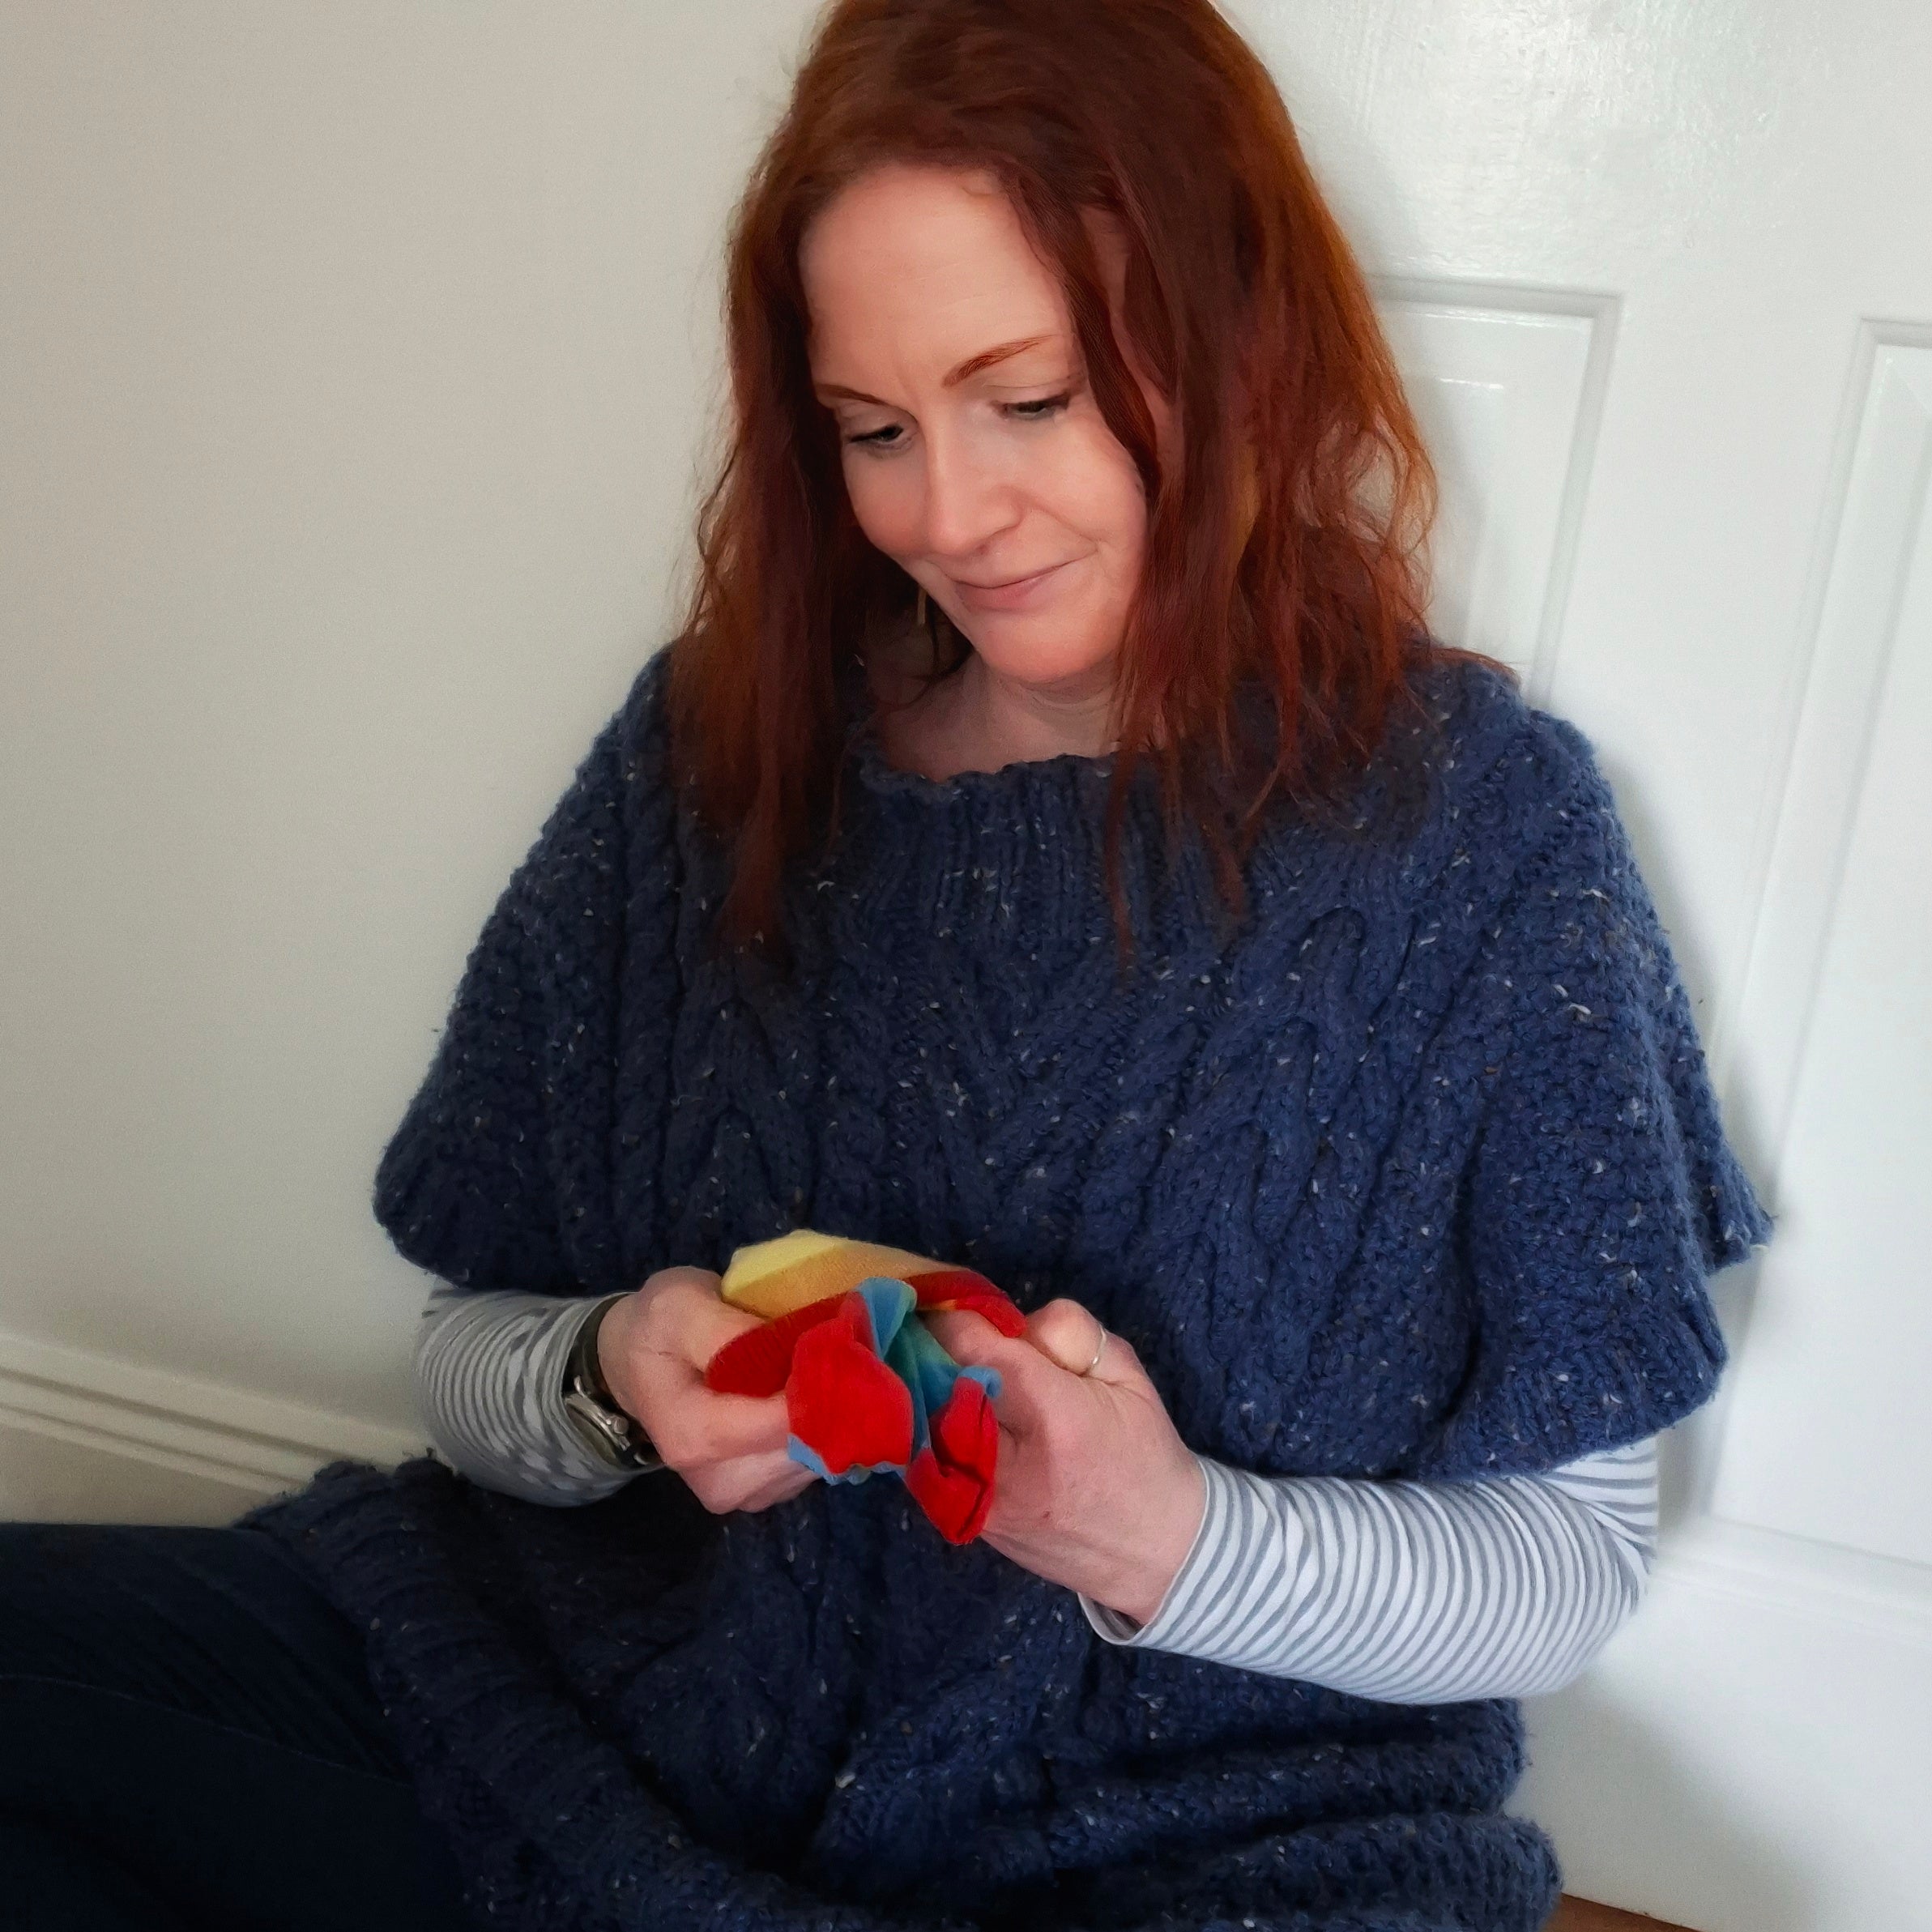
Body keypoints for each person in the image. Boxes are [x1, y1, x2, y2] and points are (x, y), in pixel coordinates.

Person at [0, 2, 1769, 1927]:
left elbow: (1569, 1561)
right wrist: (609, 1379)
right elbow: (463, 1349)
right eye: (872, 428)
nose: (944, 513)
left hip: (1186, 1848)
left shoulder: (1481, 836)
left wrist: (1169, 1535)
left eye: (1030, 398)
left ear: (1236, 333)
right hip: (565, 1728)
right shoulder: (717, 748)